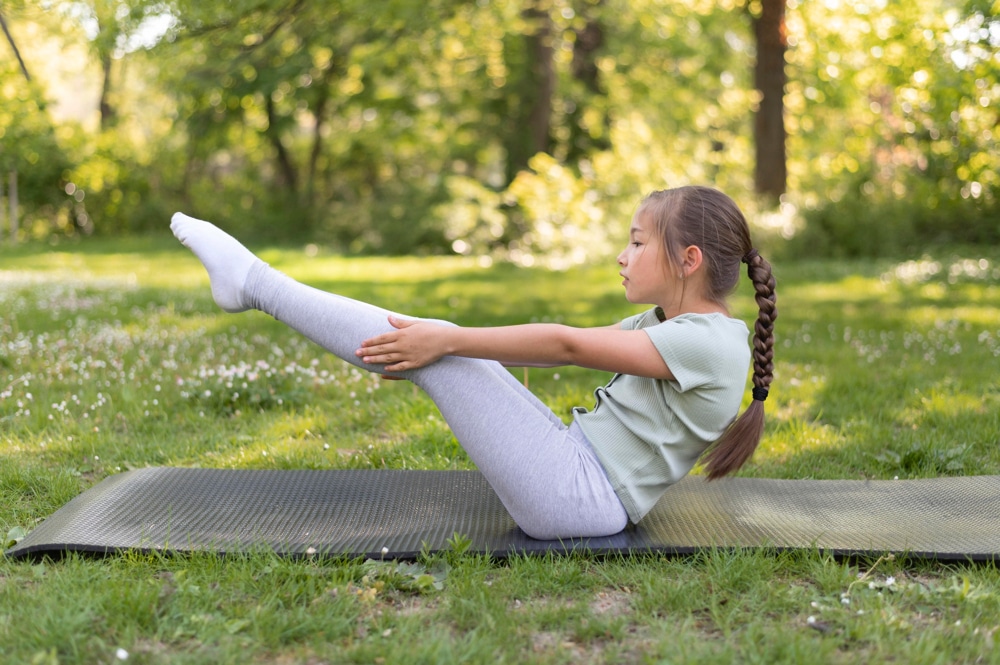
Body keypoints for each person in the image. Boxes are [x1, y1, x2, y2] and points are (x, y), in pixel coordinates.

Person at [170, 185, 776, 540]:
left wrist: (453, 341)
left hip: (579, 497)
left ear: (688, 259)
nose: (623, 255)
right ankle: (252, 283)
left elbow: (568, 346)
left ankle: (254, 284)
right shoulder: (670, 325)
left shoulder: (712, 343)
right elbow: (572, 349)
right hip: (574, 469)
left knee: (445, 351)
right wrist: (465, 345)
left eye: (638, 242)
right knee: (449, 346)